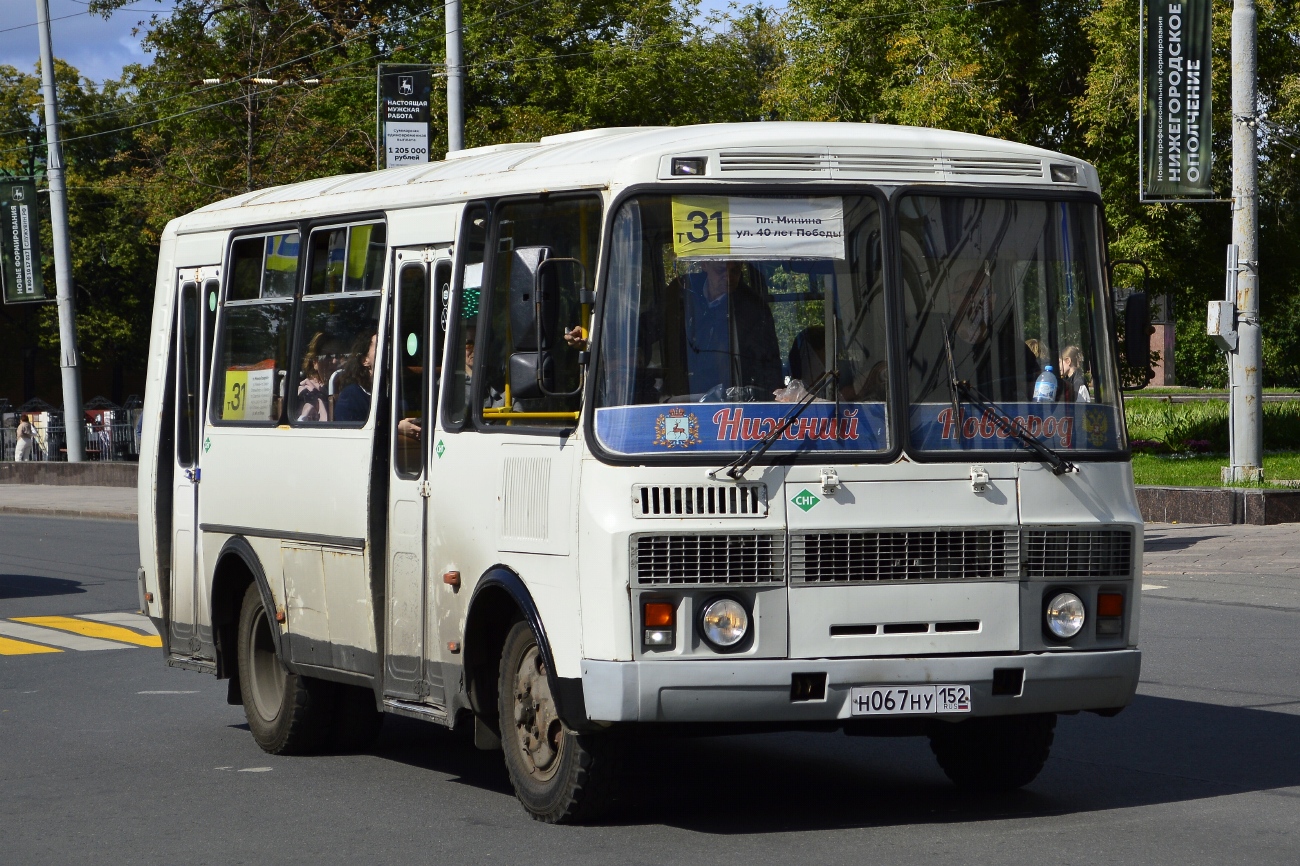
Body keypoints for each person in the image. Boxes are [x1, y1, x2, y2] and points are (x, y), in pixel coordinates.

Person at [677, 259, 782, 399]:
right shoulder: (683, 294)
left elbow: (768, 363)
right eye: (720, 270)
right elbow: (659, 324)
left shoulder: (753, 310)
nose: (728, 277)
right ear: (704, 264)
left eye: (735, 271)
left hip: (733, 398)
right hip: (687, 395)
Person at [942, 264, 1040, 401]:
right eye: (969, 291)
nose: (977, 299)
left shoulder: (1015, 349)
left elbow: (1044, 391)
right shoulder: (934, 347)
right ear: (952, 299)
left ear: (993, 301)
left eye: (985, 293)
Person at [296, 332, 344, 422]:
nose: (334, 361)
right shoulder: (307, 393)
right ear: (315, 362)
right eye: (328, 356)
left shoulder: (347, 389)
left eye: (337, 356)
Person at [333, 331, 376, 423]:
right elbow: (350, 432)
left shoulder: (391, 391)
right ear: (365, 360)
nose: (388, 349)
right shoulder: (351, 396)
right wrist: (396, 428)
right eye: (380, 346)